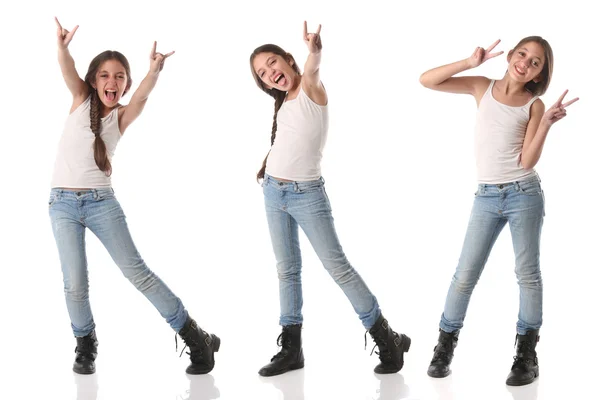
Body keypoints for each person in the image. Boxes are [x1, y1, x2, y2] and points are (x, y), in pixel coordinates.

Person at [49, 18, 219, 375]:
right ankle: (85, 344)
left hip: (100, 204)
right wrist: (63, 48)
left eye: (120, 76)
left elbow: (143, 94)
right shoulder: (80, 100)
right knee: (74, 282)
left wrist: (154, 69)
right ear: (94, 81)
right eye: (105, 75)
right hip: (62, 204)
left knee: (137, 273)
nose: (113, 82)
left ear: (125, 83)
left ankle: (193, 335)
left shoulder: (121, 117)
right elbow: (68, 70)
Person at [249, 22, 411, 377]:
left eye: (273, 63)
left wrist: (315, 49)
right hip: (274, 192)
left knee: (337, 267)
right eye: (262, 73)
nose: (270, 73)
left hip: (307, 195)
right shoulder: (284, 102)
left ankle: (388, 339)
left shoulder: (310, 87)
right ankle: (292, 350)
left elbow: (314, 67)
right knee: (287, 270)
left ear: (289, 60)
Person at [419, 36, 578, 385]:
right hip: (486, 197)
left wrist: (547, 123)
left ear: (539, 74)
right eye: (523, 54)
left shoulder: (534, 105)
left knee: (527, 275)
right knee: (464, 275)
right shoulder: (482, 86)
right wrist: (468, 62)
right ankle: (444, 346)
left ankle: (526, 355)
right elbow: (427, 80)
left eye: (535, 62)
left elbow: (527, 159)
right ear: (510, 55)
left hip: (524, 194)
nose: (526, 63)